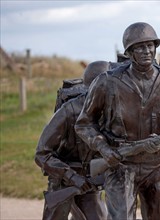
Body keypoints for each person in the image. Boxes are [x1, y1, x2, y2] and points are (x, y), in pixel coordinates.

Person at [75, 22, 160, 220]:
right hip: (121, 164)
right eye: (140, 47)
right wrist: (104, 148)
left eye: (150, 45)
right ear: (129, 52)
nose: (147, 51)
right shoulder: (107, 81)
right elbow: (84, 124)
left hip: (158, 165)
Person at [35, 61, 112, 220]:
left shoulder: (113, 111)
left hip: (90, 183)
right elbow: (42, 154)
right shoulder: (68, 111)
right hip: (63, 181)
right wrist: (72, 177)